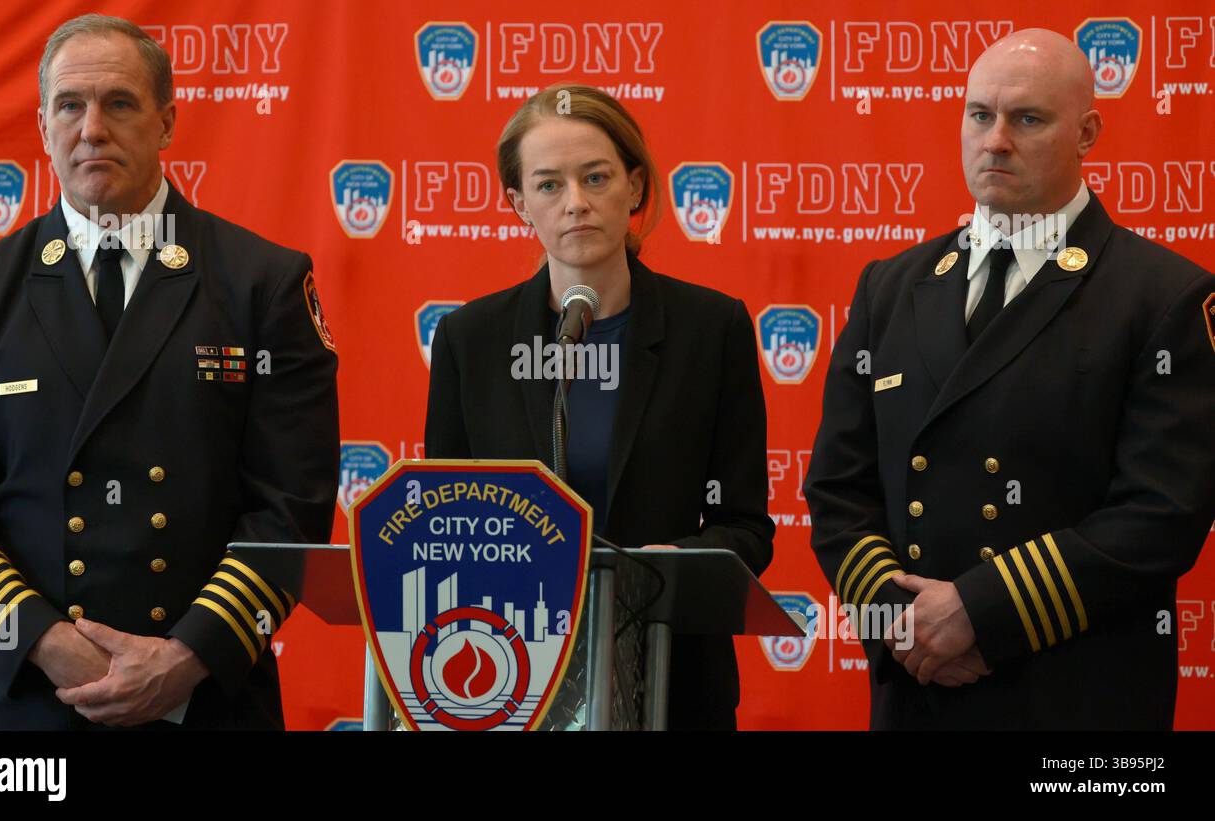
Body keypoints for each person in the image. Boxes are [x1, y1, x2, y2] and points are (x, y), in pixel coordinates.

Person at [0, 14, 339, 729]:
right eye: (69, 106)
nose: (92, 129)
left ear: (167, 122)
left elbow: (290, 509)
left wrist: (183, 658)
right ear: (43, 126)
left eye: (119, 103)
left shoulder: (260, 282)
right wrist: (48, 645)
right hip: (34, 710)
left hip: (208, 702)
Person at [804, 28, 1215, 729]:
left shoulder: (1162, 296)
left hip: (1074, 697)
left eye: (1028, 119)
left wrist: (982, 614)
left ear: (1087, 132)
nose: (995, 140)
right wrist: (906, 624)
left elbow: (1160, 515)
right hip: (918, 692)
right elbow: (840, 489)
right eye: (979, 115)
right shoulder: (891, 287)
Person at [424, 83, 774, 730]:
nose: (576, 204)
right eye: (549, 185)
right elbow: (447, 526)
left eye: (596, 177)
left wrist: (657, 575)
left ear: (635, 188)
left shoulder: (712, 329)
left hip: (674, 684)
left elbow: (747, 529)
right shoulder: (470, 340)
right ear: (517, 203)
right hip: (507, 683)